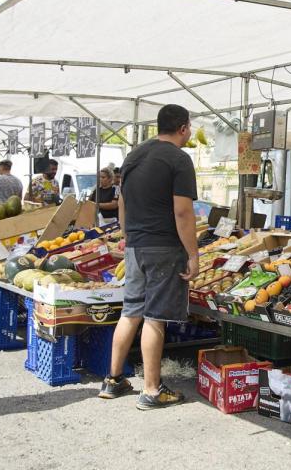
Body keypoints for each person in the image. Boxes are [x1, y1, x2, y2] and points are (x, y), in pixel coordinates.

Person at [99, 104, 198, 409]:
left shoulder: (134, 156)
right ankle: (152, 390)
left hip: (136, 246)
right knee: (155, 318)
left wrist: (129, 234)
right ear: (183, 128)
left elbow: (123, 202)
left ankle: (113, 380)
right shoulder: (179, 159)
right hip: (164, 248)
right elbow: (182, 211)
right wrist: (193, 255)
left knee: (131, 312)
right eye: (189, 127)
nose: (190, 132)